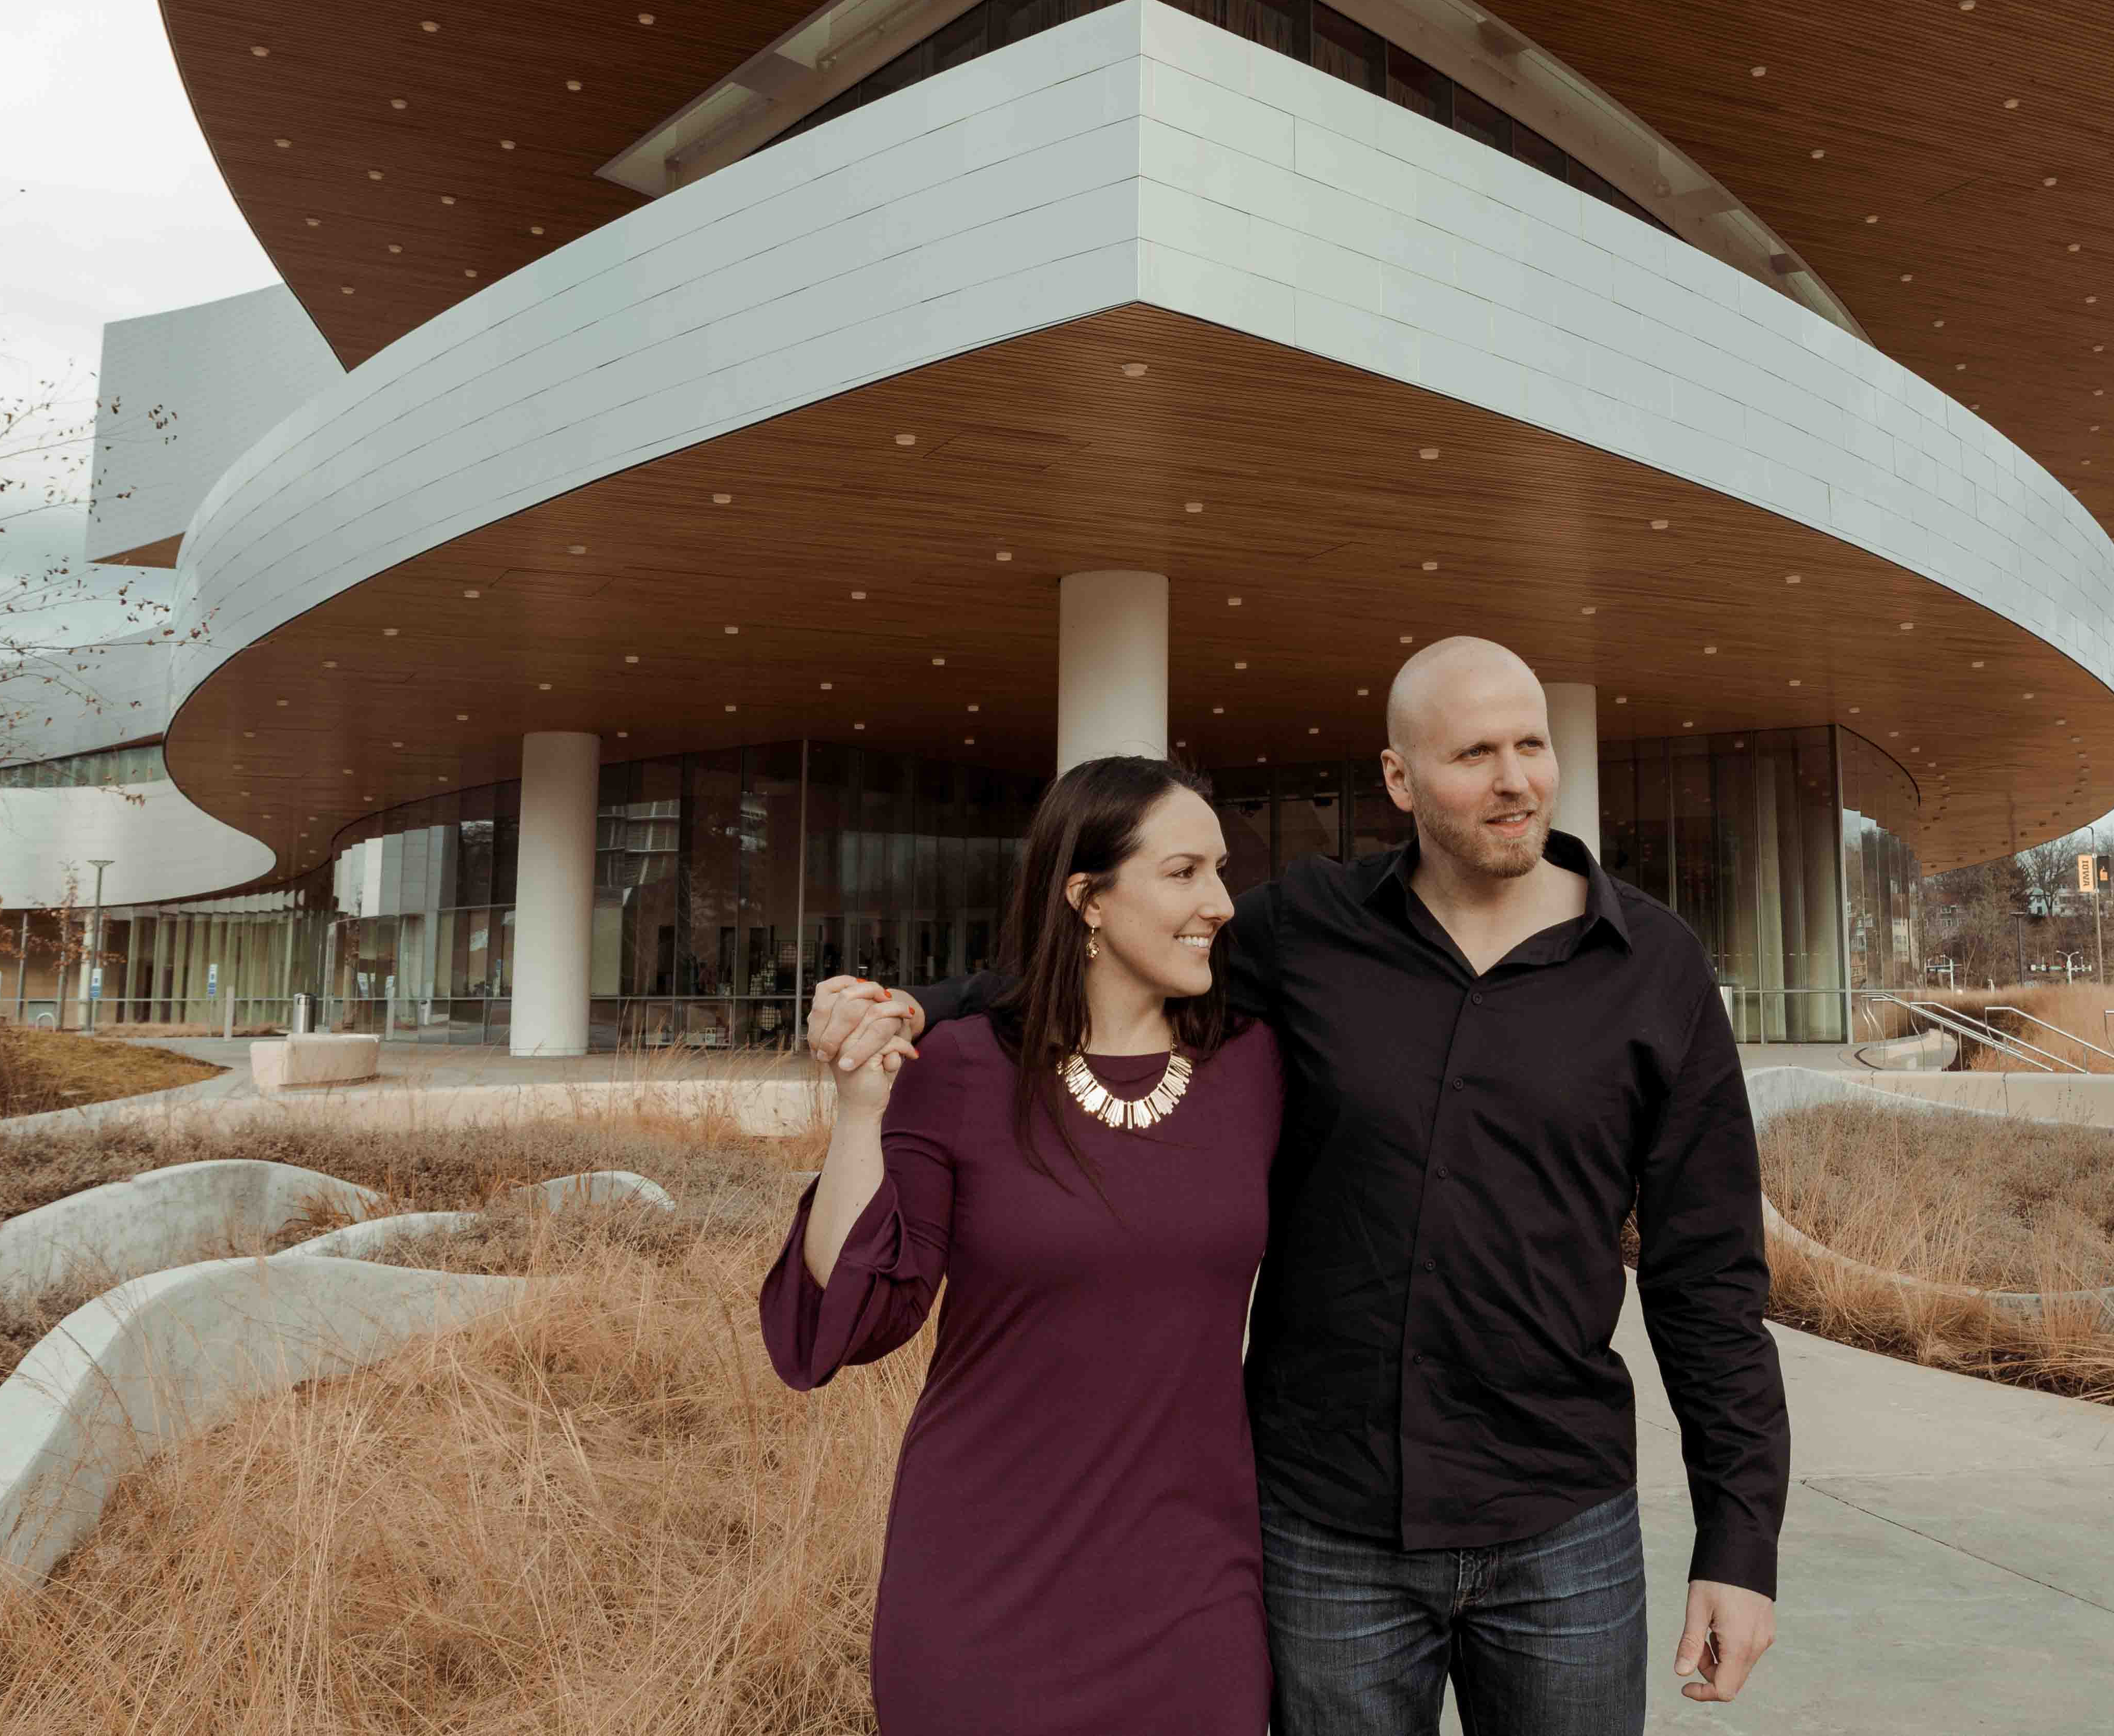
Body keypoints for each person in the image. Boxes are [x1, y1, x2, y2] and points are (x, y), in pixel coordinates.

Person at [815, 636, 1786, 1732]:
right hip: (1328, 1536)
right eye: (1473, 752)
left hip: (1562, 1525)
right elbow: (1110, 952)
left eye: (1530, 744)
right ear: (1398, 778)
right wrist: (918, 1009)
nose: (1514, 779)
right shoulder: (1300, 931)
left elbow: (1707, 1279)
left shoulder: (1652, 967)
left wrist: (1738, 1543)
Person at [760, 753, 1279, 1734]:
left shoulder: (1257, 1066)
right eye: (1183, 873)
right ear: (1087, 896)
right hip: (981, 1589)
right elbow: (852, 1319)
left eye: (1220, 871)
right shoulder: (958, 1067)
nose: (1221, 902)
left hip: (1194, 1590)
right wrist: (858, 1112)